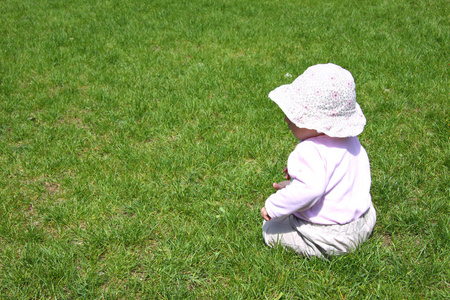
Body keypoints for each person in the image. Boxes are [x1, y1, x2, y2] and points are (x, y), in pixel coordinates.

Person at [261, 63, 376, 258]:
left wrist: (272, 207)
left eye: (292, 117)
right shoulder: (351, 141)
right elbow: (341, 176)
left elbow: (310, 190)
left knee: (270, 230)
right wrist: (296, 181)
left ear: (314, 122)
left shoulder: (308, 151)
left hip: (330, 237)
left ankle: (320, 249)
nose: (286, 120)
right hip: (363, 221)